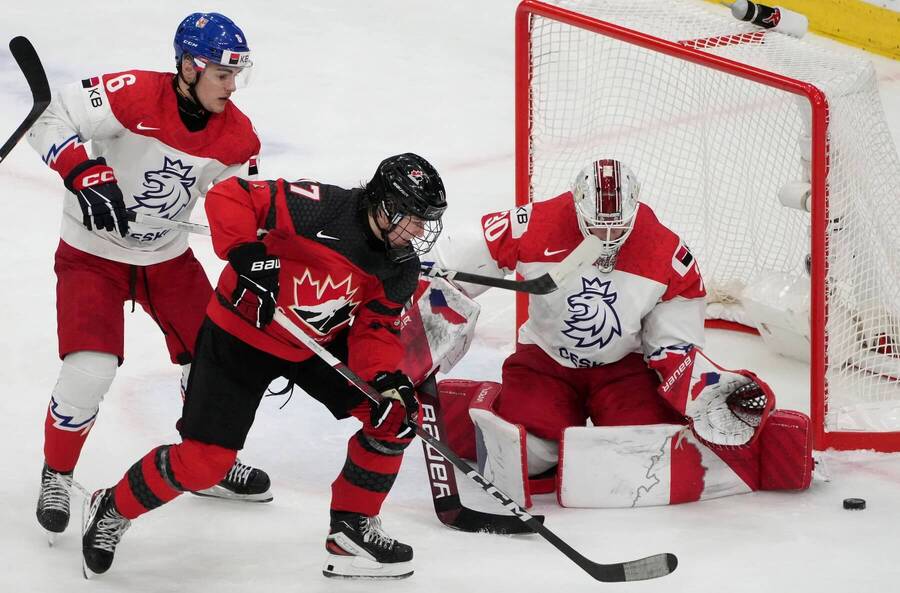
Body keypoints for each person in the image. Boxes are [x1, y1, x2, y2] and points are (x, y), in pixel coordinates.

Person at [79, 153, 448, 580]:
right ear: (385, 205)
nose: (421, 232)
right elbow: (229, 195)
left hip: (315, 342)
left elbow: (376, 329)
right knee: (204, 464)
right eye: (415, 218)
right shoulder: (320, 206)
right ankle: (111, 506)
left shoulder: (399, 264)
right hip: (240, 334)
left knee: (395, 417)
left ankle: (351, 532)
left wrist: (385, 379)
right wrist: (246, 251)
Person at [27, 12, 272, 542]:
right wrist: (84, 171)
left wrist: (253, 250)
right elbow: (49, 118)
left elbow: (239, 206)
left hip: (167, 259)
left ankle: (203, 459)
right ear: (188, 65)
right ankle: (57, 473)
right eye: (222, 74)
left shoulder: (237, 135)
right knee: (89, 371)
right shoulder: (135, 93)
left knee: (216, 359)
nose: (232, 87)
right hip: (92, 253)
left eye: (237, 75)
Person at [430, 158, 793, 502]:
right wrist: (424, 319)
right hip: (546, 360)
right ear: (576, 207)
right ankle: (477, 404)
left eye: (617, 226)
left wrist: (699, 387)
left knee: (642, 446)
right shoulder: (536, 222)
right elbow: (452, 266)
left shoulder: (666, 253)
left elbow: (673, 346)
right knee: (533, 452)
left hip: (623, 368)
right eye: (596, 225)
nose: (606, 236)